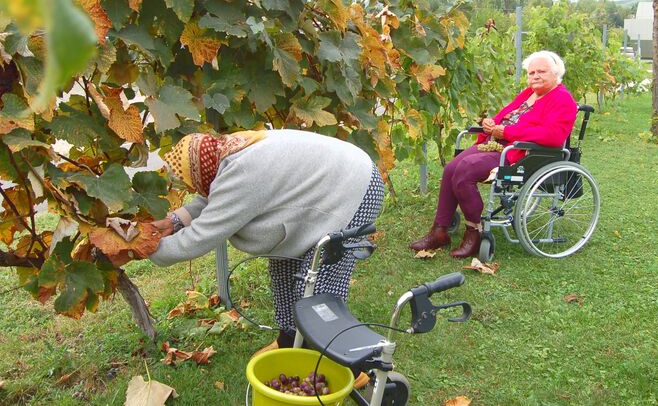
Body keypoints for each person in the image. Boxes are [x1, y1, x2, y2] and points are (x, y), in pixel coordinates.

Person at [148, 128, 384, 354]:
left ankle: (345, 361)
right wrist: (175, 221)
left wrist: (144, 249)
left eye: (193, 181)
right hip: (330, 184)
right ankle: (290, 341)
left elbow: (202, 236)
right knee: (284, 267)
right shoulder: (226, 153)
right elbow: (214, 196)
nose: (192, 187)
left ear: (204, 171)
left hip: (356, 187)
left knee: (316, 289)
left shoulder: (242, 173)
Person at [409, 50, 577, 258]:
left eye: (541, 71)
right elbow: (506, 115)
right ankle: (440, 231)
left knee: (465, 170)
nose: (535, 76)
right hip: (497, 143)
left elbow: (552, 135)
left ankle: (475, 232)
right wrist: (492, 123)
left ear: (556, 73)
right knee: (452, 167)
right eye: (531, 72)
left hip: (519, 153)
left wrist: (507, 132)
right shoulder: (528, 94)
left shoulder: (563, 99)